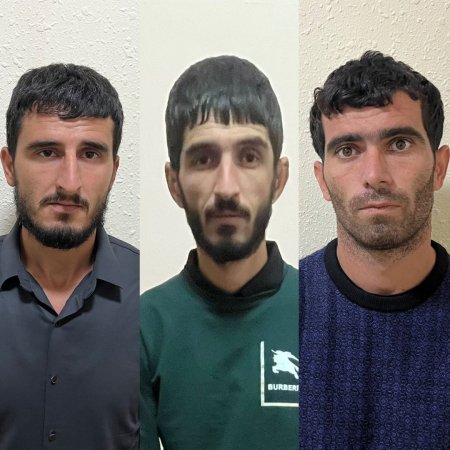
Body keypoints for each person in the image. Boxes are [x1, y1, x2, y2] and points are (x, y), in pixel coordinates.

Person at [140, 55, 298, 450]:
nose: (227, 187)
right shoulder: (140, 328)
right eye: (203, 159)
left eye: (249, 157)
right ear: (174, 183)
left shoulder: (329, 314)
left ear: (278, 178)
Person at [299, 51, 450, 448]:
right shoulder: (271, 316)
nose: (375, 176)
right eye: (348, 150)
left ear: (439, 167)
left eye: (399, 143)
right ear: (322, 180)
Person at [0, 64, 139, 449]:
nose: (70, 182)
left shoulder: (150, 296)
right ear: (9, 166)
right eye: (47, 152)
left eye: (91, 154)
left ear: (114, 171)